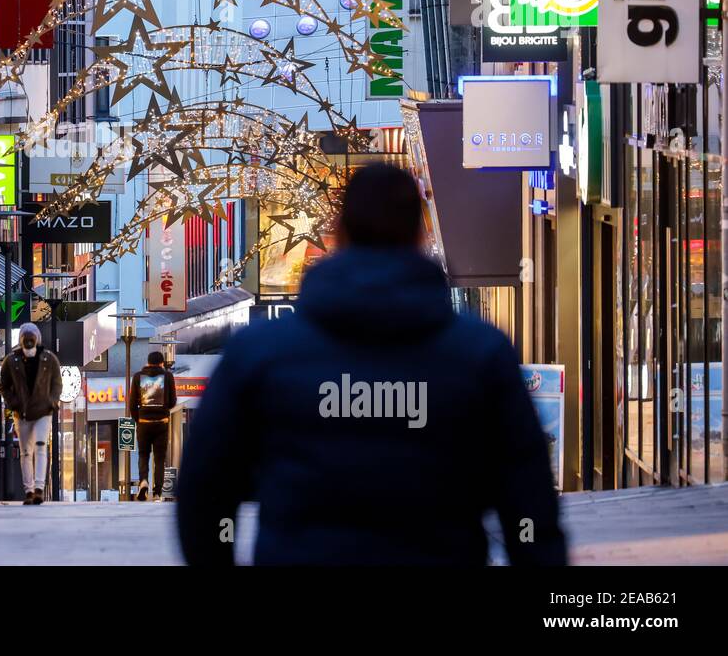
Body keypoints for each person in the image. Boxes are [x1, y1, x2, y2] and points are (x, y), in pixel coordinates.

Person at [176, 163, 566, 565]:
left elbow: (206, 484)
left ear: (339, 233)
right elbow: (526, 495)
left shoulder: (259, 352)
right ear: (419, 235)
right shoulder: (480, 353)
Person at [0, 322, 62, 505]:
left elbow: (57, 383)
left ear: (36, 341)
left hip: (43, 411)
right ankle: (29, 490)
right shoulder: (11, 361)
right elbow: (4, 386)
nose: (28, 348)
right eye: (26, 343)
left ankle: (38, 489)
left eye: (31, 343)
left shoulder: (49, 359)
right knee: (26, 451)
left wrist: (51, 402)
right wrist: (14, 403)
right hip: (23, 413)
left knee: (40, 446)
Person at [130, 350, 176, 501]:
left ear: (148, 362)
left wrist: (139, 419)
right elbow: (173, 401)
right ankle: (157, 493)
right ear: (162, 363)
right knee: (159, 458)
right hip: (161, 423)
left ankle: (144, 481)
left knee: (143, 455)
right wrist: (163, 410)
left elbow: (132, 404)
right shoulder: (168, 376)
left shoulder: (137, 377)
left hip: (144, 423)